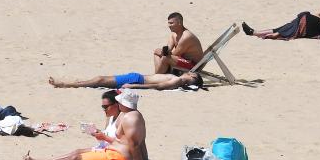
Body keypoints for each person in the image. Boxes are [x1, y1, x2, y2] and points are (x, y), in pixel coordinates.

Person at [22, 88, 146, 160]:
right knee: (75, 155)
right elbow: (135, 142)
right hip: (113, 154)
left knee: (76, 159)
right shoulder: (127, 115)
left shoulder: (131, 117)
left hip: (118, 159)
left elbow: (135, 144)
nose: (119, 104)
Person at [243, 0, 320, 40]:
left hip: (309, 20)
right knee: (289, 26)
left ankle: (258, 33)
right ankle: (257, 33)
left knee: (289, 26)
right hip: (315, 28)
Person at [48, 71, 204, 90]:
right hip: (137, 77)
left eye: (192, 75)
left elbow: (158, 86)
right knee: (100, 79)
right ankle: (75, 82)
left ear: (192, 78)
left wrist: (134, 86)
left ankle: (66, 84)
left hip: (138, 79)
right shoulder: (177, 77)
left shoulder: (177, 81)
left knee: (100, 80)